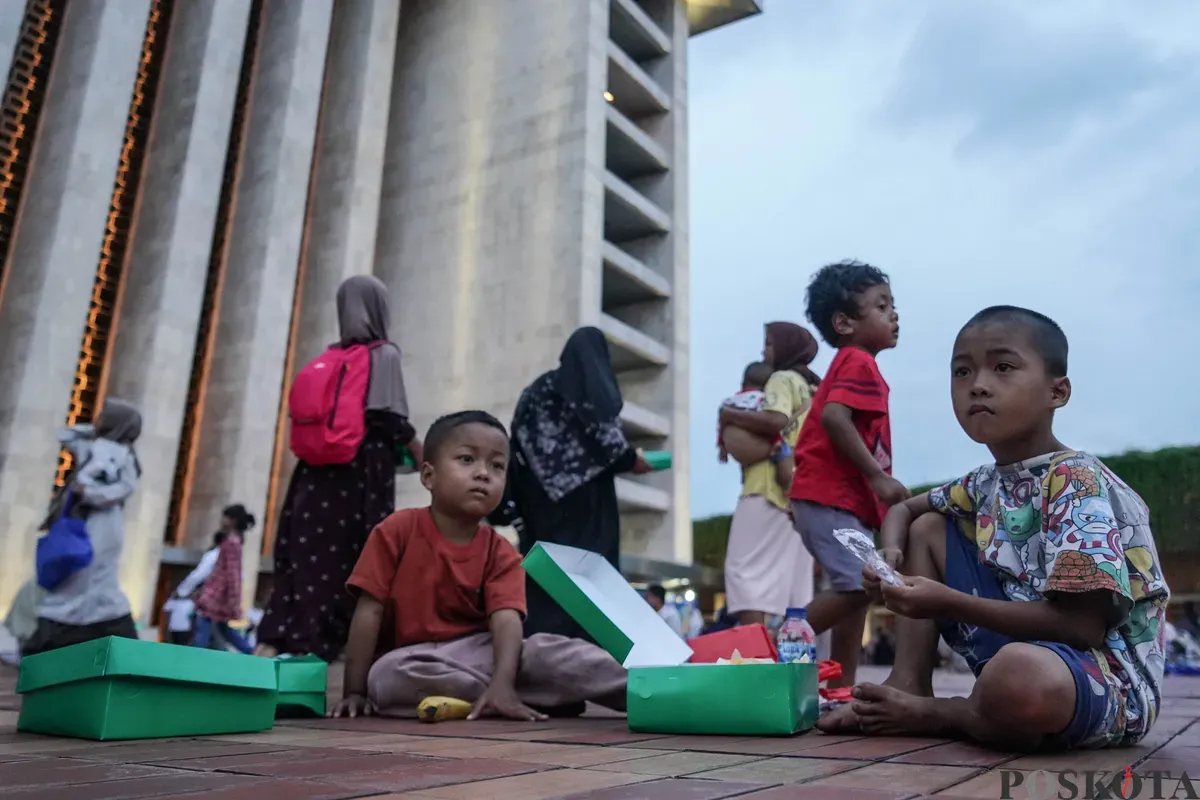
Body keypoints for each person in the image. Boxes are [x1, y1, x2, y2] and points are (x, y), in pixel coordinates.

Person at [821, 306, 1169, 752]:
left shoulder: (1076, 482)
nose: (978, 384)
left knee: (1018, 677)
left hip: (1105, 682)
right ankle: (909, 685)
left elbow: (1083, 628)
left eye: (1003, 367)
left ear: (1057, 392)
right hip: (1027, 653)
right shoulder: (984, 482)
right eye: (962, 371)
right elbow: (903, 512)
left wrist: (948, 601)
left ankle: (942, 714)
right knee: (929, 526)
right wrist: (886, 554)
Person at [330, 410, 628, 720]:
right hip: (413, 658)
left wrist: (503, 678)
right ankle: (530, 694)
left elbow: (506, 620)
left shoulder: (500, 550)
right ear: (428, 476)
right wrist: (354, 692)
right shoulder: (395, 531)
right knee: (387, 678)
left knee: (550, 651)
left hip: (486, 656)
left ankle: (657, 691)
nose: (483, 473)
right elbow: (369, 611)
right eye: (467, 459)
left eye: (497, 466)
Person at [257, 275, 420, 660]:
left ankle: (277, 642)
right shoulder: (384, 354)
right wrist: (427, 454)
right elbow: (389, 420)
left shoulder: (327, 359)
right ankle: (339, 647)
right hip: (361, 475)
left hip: (312, 477)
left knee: (305, 559)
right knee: (361, 558)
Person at [490, 327, 651, 642]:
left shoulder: (535, 391)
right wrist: (634, 460)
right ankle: (590, 659)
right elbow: (613, 447)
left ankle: (535, 651)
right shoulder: (590, 389)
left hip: (538, 506)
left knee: (545, 583)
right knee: (592, 584)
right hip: (589, 507)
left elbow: (516, 447)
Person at [787, 261, 904, 689]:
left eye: (893, 305)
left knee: (860, 590)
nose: (893, 314)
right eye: (881, 305)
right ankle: (762, 650)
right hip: (830, 498)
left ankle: (840, 686)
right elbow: (836, 418)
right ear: (844, 322)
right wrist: (878, 478)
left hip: (834, 500)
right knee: (858, 586)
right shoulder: (858, 362)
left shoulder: (854, 363)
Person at [718, 322, 822, 628]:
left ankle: (756, 655)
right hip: (802, 491)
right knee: (795, 585)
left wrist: (728, 414)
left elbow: (777, 420)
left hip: (766, 487)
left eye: (770, 344)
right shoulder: (813, 387)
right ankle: (796, 659)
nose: (764, 352)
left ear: (787, 348)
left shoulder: (780, 379)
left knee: (743, 571)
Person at [24, 400, 143, 656]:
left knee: (93, 575)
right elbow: (64, 434)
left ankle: (80, 632)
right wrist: (96, 429)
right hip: (78, 521)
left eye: (104, 416)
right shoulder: (90, 444)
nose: (98, 419)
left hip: (104, 524)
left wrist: (88, 493)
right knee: (74, 576)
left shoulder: (125, 455)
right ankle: (60, 634)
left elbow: (125, 488)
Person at [192, 504, 256, 654]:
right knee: (222, 628)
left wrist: (234, 599)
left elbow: (233, 573)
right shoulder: (233, 541)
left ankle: (194, 657)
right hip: (218, 592)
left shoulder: (232, 542)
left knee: (204, 625)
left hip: (217, 593)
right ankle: (252, 653)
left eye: (225, 517)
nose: (222, 520)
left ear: (232, 520)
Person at [716, 361, 778, 468]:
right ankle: (778, 448)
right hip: (758, 443)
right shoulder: (762, 399)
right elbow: (768, 424)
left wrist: (722, 447)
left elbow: (721, 426)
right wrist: (777, 440)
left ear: (742, 383)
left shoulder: (729, 401)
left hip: (736, 448)